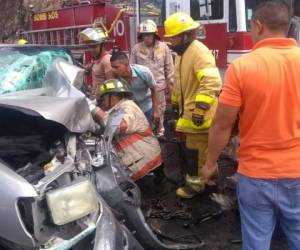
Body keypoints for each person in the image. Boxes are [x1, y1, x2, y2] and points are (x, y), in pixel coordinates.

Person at [201, 1, 300, 249]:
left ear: (258, 25)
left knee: (257, 241)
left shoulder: (242, 68)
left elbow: (222, 126)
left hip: (256, 175)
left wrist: (210, 163)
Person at [163, 12, 221, 198]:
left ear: (185, 35)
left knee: (195, 153)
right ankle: (210, 180)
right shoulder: (182, 53)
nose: (170, 41)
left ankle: (197, 187)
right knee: (201, 151)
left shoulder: (198, 52)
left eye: (173, 37)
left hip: (199, 117)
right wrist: (173, 104)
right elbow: (180, 83)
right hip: (188, 114)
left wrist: (200, 109)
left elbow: (212, 81)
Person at [91, 79, 162, 180]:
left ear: (114, 96)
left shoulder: (128, 106)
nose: (101, 103)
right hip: (139, 164)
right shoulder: (115, 110)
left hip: (148, 165)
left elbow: (116, 126)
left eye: (103, 98)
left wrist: (94, 110)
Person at [130, 19, 174, 136]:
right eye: (144, 35)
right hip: (142, 88)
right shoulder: (136, 48)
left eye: (148, 35)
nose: (146, 38)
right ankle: (145, 133)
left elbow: (169, 68)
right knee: (142, 112)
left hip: (159, 86)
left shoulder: (164, 48)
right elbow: (131, 67)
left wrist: (170, 85)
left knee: (159, 111)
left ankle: (160, 133)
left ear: (154, 35)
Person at [110, 50, 159, 127]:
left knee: (150, 132)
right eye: (112, 67)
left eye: (116, 67)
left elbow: (154, 90)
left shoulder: (144, 72)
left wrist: (155, 111)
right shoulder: (116, 78)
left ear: (126, 64)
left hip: (147, 108)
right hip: (131, 112)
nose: (113, 70)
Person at [80, 24, 113, 96]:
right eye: (89, 46)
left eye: (94, 46)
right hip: (97, 97)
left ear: (103, 45)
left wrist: (98, 91)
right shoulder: (97, 59)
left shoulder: (106, 61)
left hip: (104, 100)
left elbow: (111, 85)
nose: (91, 50)